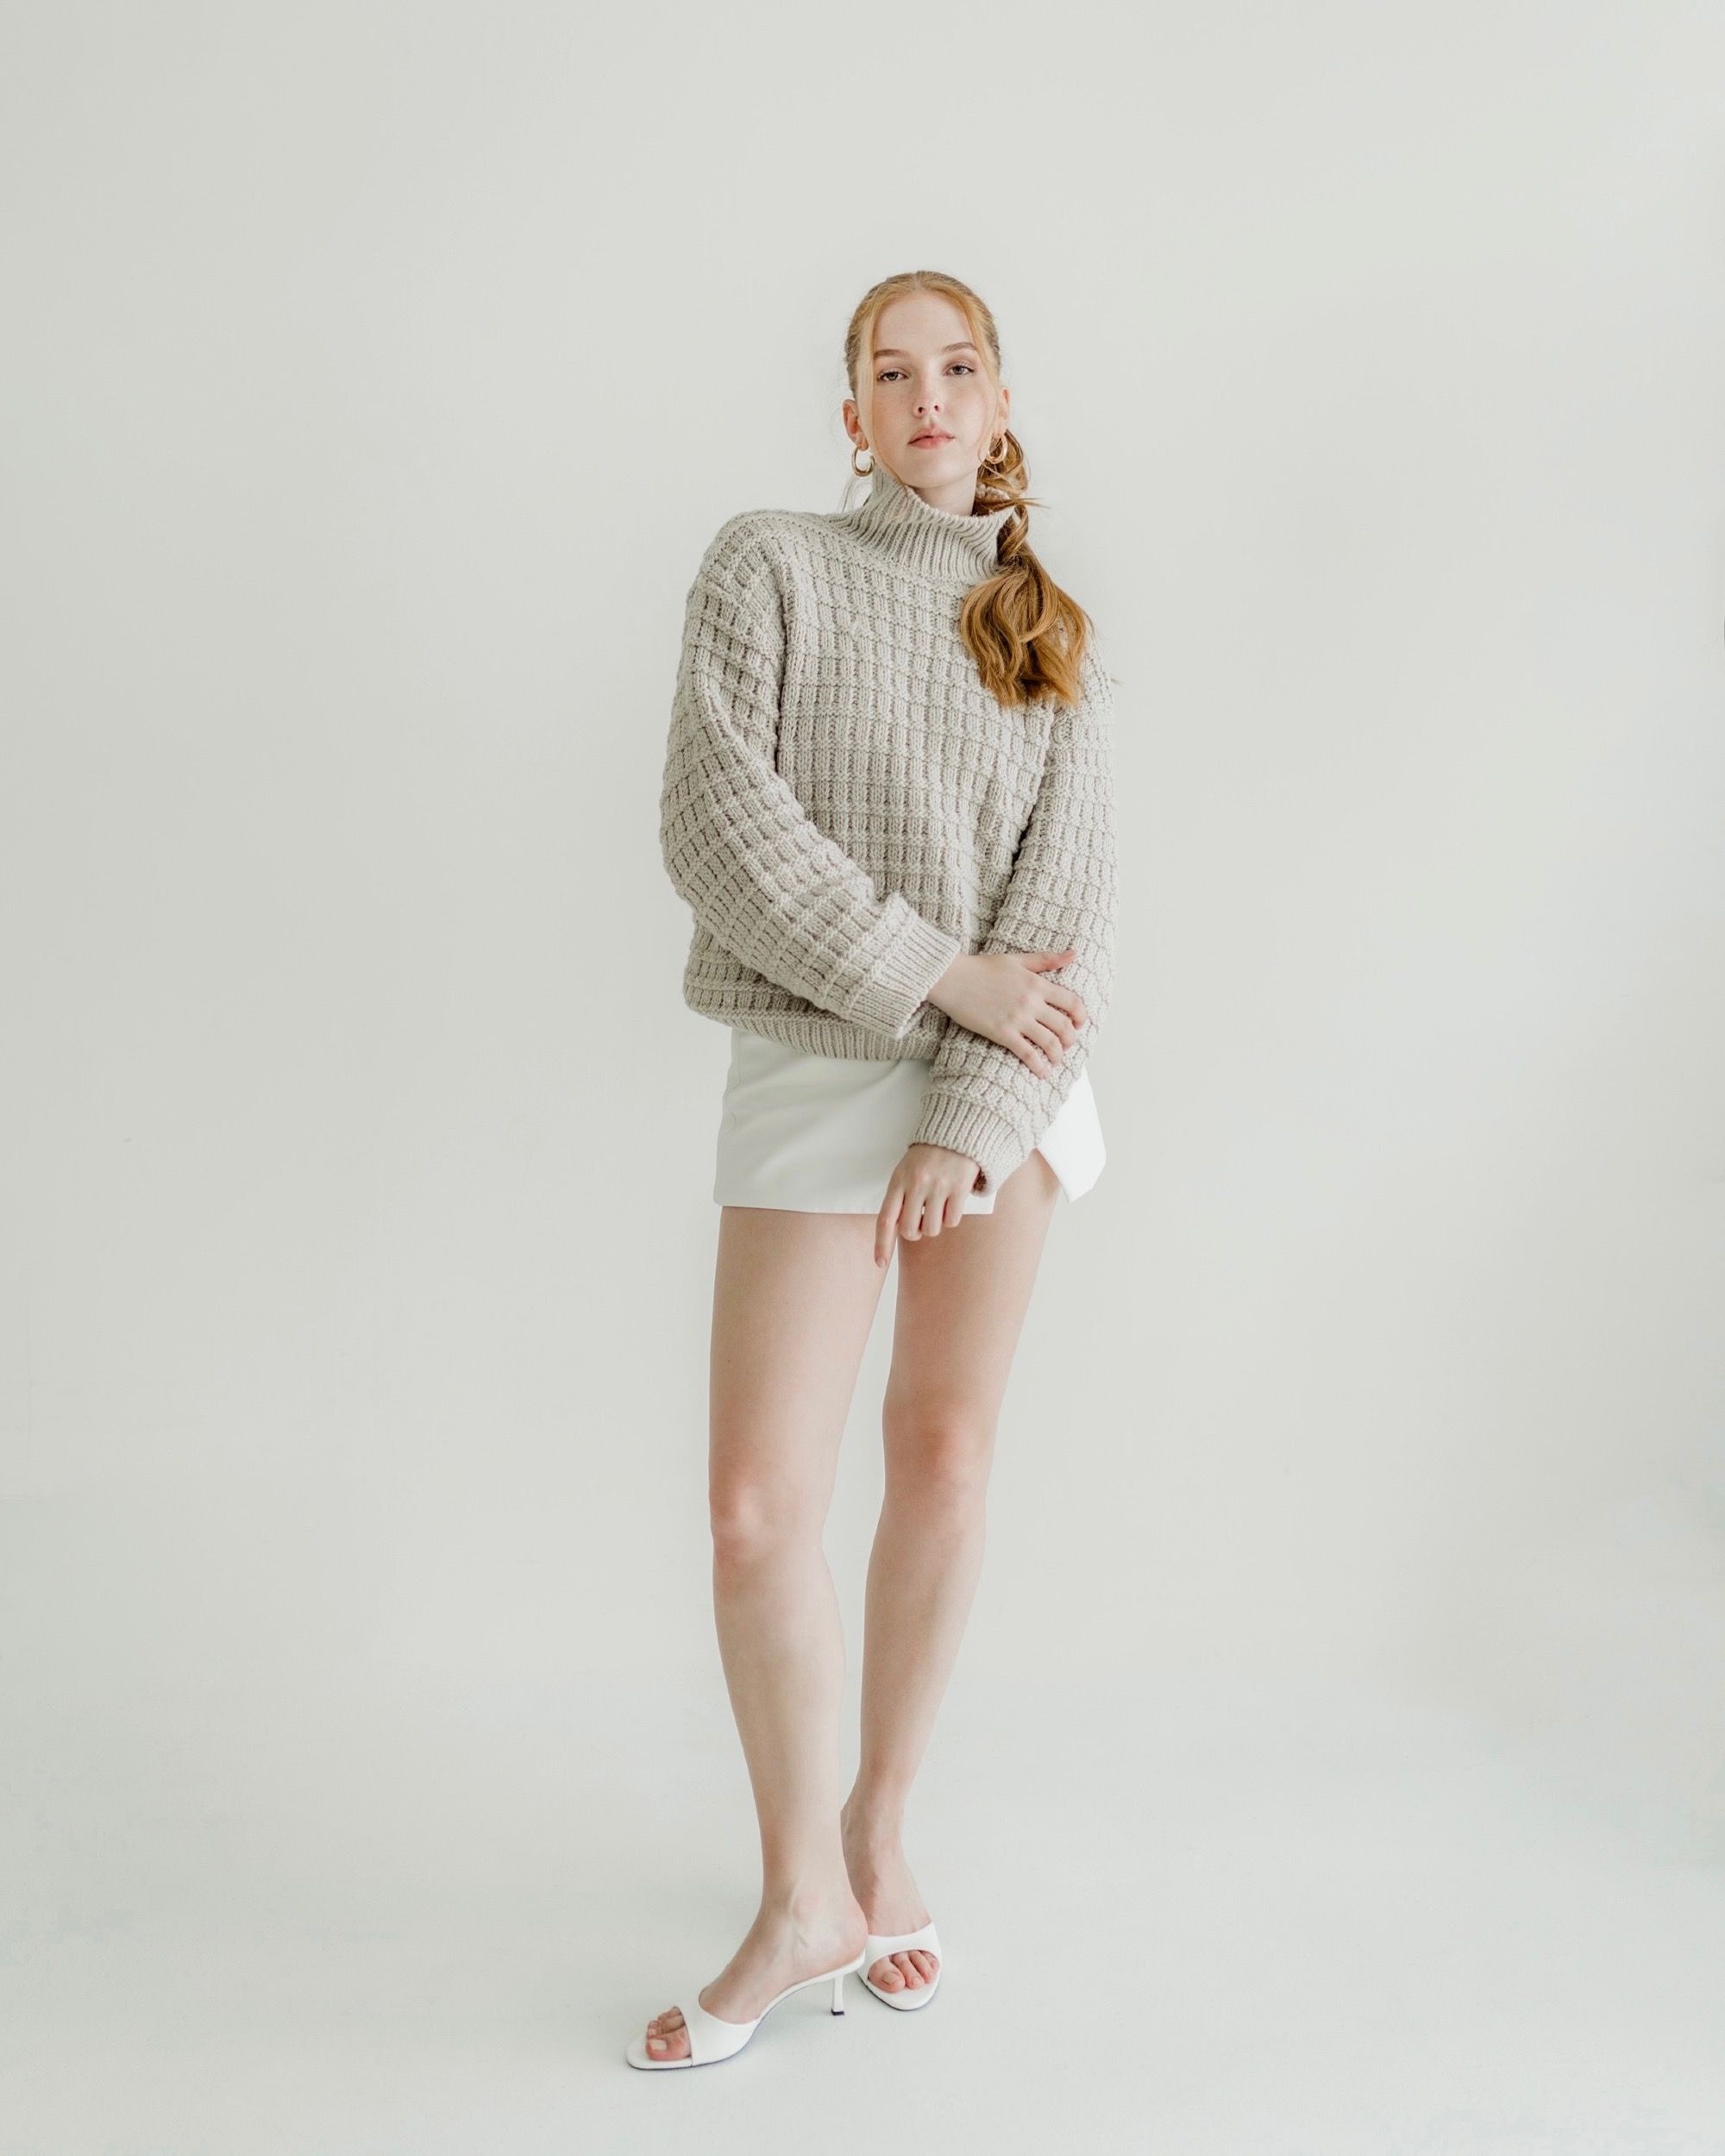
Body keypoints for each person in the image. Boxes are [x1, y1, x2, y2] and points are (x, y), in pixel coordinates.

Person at [629, 269, 1120, 2070]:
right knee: (757, 1507)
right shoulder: (768, 565)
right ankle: (799, 1897)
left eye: (957, 366)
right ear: (851, 414)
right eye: (891, 373)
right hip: (819, 1060)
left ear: (999, 401)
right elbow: (715, 825)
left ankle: (878, 1830)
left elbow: (1062, 925)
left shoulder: (1044, 632)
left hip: (1001, 1096)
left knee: (942, 1454)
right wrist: (936, 976)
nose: (927, 396)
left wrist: (965, 1116)